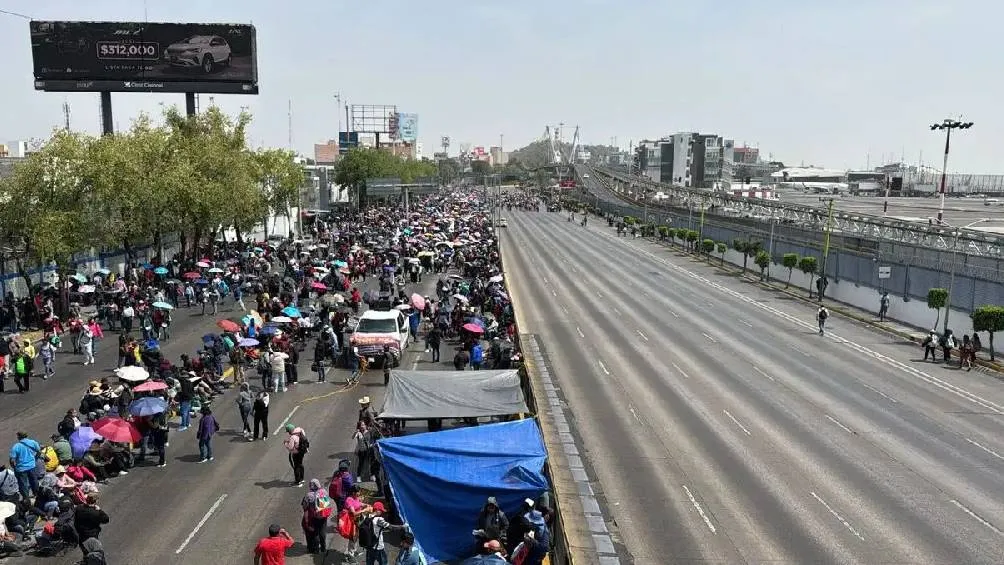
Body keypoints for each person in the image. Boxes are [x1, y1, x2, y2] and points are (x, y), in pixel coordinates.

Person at [300, 478, 332, 554]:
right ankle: (323, 548)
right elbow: (327, 503)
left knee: (315, 533)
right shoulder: (324, 492)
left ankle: (316, 549)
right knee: (323, 532)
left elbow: (304, 506)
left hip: (314, 517)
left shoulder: (309, 495)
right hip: (324, 516)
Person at [9, 432, 41, 499]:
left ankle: (26, 499)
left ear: (19, 437)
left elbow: (12, 460)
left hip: (21, 468)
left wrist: (14, 467)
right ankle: (37, 495)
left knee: (24, 484)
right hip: (32, 466)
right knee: (34, 480)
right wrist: (35, 459)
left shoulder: (16, 446)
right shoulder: (33, 442)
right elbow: (39, 451)